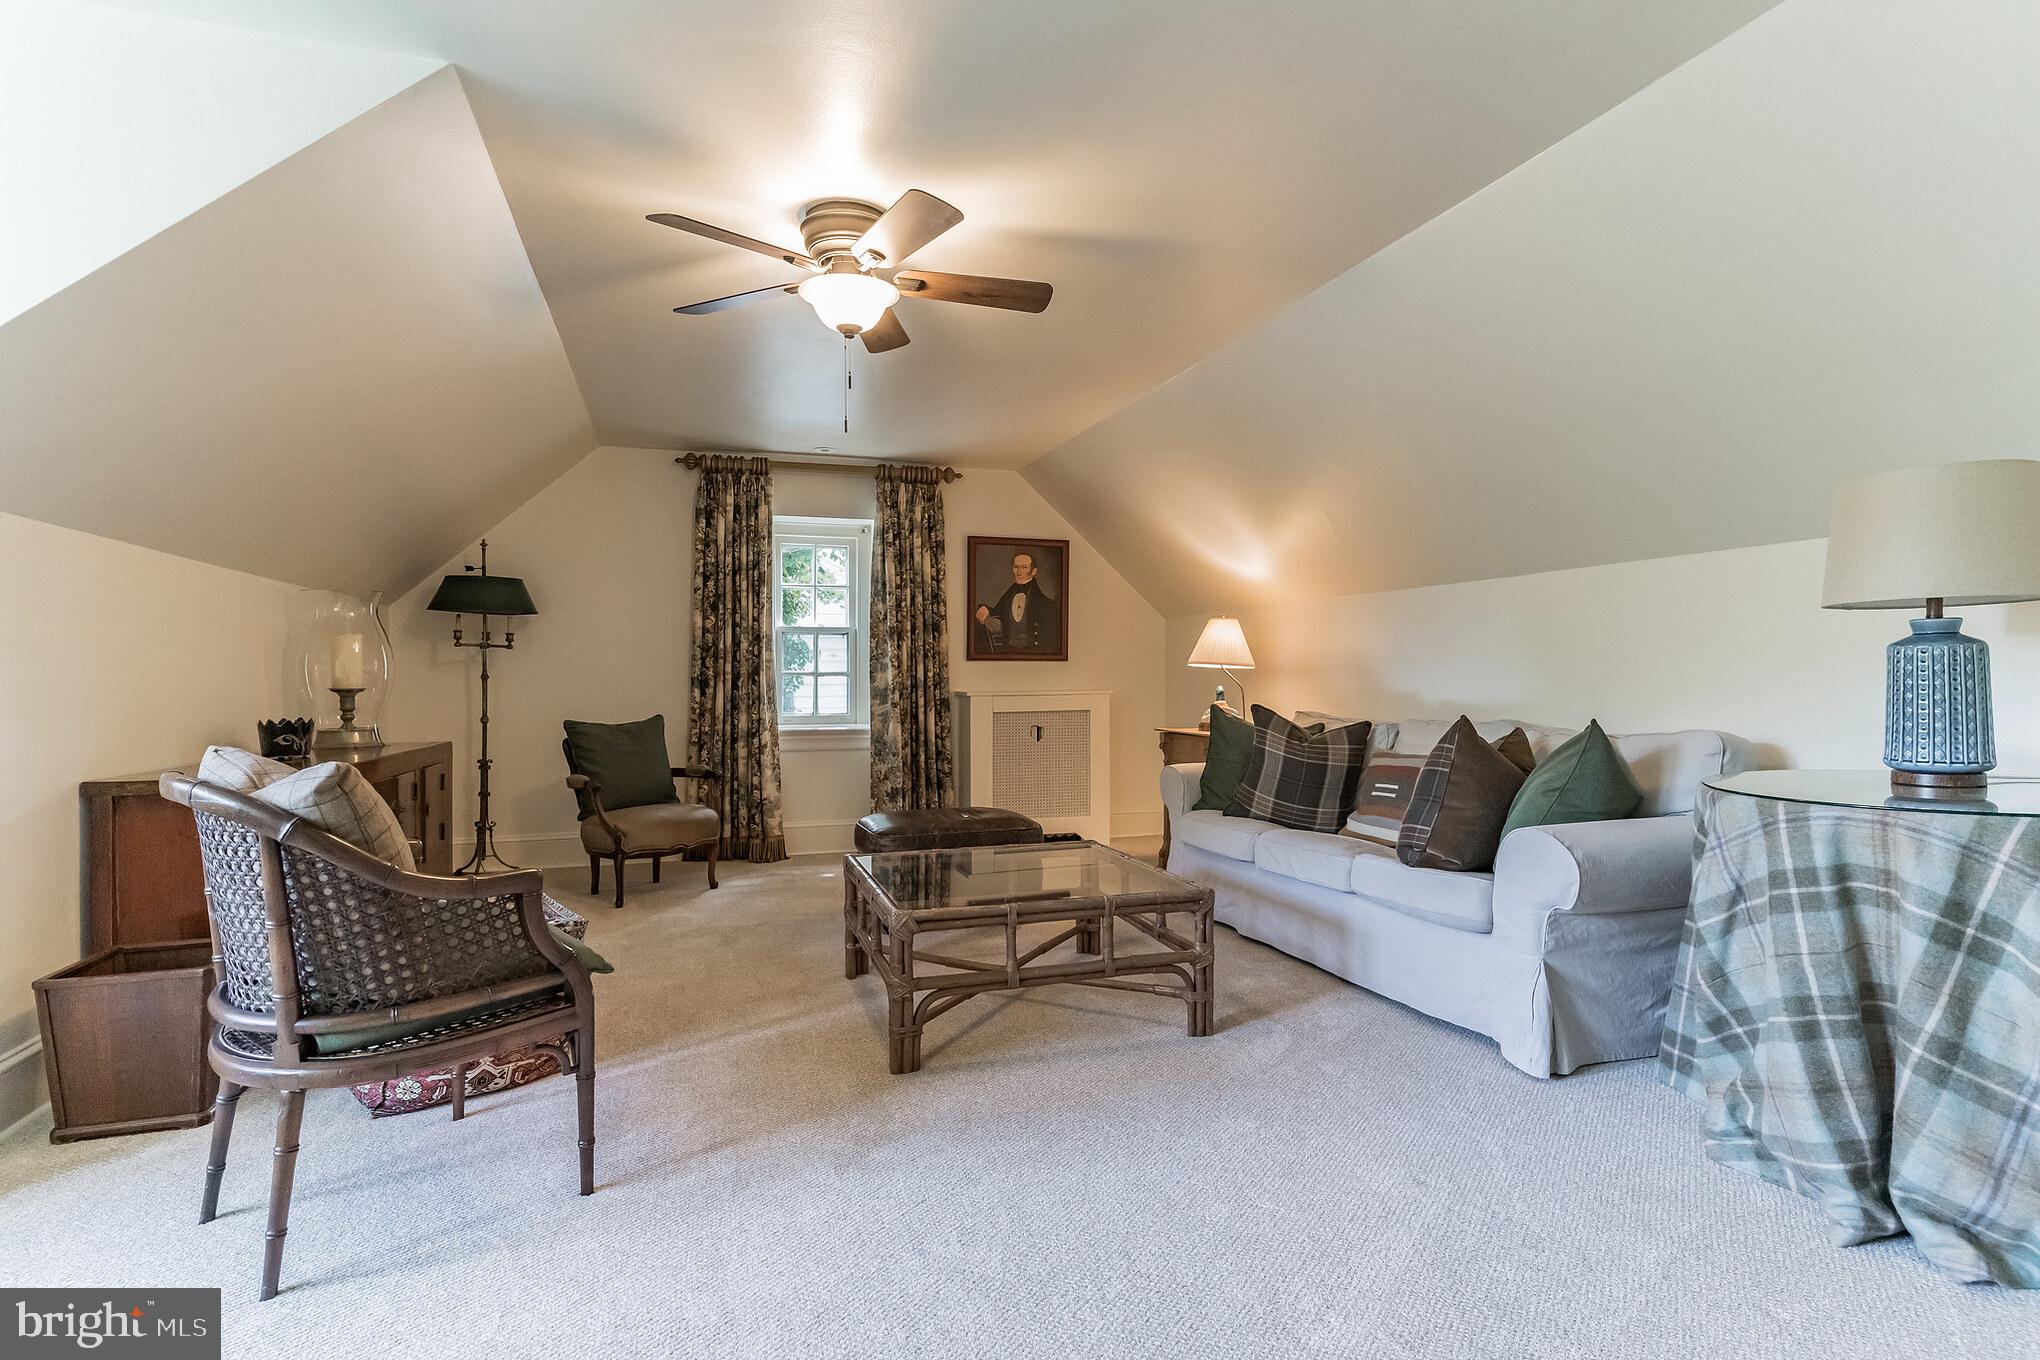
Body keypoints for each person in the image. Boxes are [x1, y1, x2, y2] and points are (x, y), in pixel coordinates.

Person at [974, 550, 1060, 653]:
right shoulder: (1008, 596)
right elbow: (998, 613)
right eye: (1016, 567)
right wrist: (986, 609)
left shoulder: (1047, 605)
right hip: (1009, 652)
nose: (1019, 571)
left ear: (1034, 571)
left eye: (1024, 567)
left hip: (1035, 654)